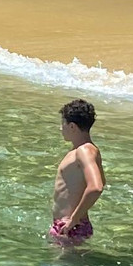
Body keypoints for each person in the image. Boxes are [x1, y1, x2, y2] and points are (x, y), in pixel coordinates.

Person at [51, 98, 106, 247]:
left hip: (70, 227)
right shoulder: (87, 150)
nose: (60, 128)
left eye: (63, 124)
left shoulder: (84, 151)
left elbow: (96, 187)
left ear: (72, 126)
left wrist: (73, 219)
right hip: (70, 225)